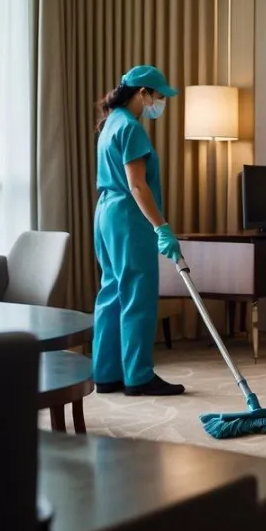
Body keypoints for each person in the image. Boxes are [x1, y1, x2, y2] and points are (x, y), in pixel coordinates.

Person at [92, 65, 186, 396]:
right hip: (128, 218)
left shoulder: (110, 123)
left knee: (112, 292)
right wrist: (162, 227)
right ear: (142, 93)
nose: (159, 102)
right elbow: (137, 185)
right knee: (137, 295)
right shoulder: (131, 128)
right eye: (158, 96)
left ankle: (106, 374)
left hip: (105, 212)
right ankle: (138, 376)